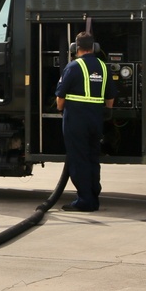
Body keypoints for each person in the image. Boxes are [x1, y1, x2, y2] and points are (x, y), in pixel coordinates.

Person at [55, 32, 117, 212]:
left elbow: (60, 98)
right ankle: (93, 197)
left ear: (76, 48)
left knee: (78, 159)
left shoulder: (73, 67)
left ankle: (84, 200)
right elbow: (111, 97)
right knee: (92, 158)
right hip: (96, 119)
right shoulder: (104, 67)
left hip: (76, 120)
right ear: (94, 47)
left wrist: (60, 110)